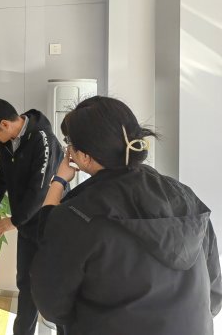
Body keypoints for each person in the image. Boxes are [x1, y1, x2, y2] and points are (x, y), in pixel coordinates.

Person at [30, 96, 222, 335]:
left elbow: (52, 306)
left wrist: (58, 181)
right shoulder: (185, 197)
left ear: (85, 156)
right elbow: (214, 294)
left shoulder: (76, 215)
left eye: (69, 142)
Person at [0, 98, 63, 335]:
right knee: (26, 283)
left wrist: (14, 221)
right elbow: (2, 176)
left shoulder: (43, 140)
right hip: (27, 227)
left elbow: (40, 190)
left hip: (50, 225)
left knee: (55, 286)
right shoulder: (6, 143)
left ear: (4, 124)